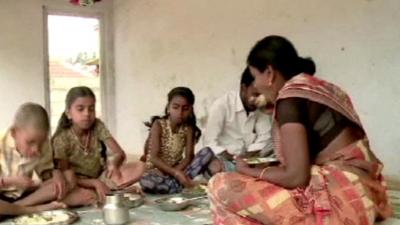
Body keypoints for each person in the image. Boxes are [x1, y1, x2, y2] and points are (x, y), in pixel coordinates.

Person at [208, 35, 392, 225]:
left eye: (255, 77)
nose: (256, 85)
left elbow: (296, 176)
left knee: (220, 184)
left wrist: (250, 171)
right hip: (367, 194)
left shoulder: (289, 99)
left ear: (269, 73)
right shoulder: (317, 87)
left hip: (342, 206)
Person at [52, 86, 145, 205]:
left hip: (101, 176)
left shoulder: (97, 125)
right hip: (77, 183)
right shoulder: (62, 138)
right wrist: (95, 183)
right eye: (80, 109)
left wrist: (113, 164)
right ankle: (111, 192)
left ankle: (106, 192)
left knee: (140, 166)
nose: (87, 114)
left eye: (91, 109)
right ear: (69, 113)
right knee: (80, 194)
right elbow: (67, 175)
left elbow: (119, 153)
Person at [140, 87, 214, 194]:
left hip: (178, 169)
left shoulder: (189, 128)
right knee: (146, 181)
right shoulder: (158, 124)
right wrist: (176, 174)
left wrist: (178, 172)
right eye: (175, 107)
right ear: (168, 107)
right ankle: (180, 185)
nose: (180, 112)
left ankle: (173, 185)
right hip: (157, 171)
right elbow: (154, 158)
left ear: (191, 110)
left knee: (207, 152)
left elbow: (189, 157)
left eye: (185, 109)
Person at [202, 67, 273, 174]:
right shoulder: (222, 105)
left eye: (263, 95)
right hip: (225, 160)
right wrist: (234, 158)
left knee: (274, 156)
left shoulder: (260, 107)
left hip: (249, 160)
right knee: (214, 166)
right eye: (256, 94)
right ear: (243, 88)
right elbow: (209, 142)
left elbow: (264, 137)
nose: (260, 99)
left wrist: (247, 157)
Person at [0, 103, 65, 216]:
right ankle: (32, 209)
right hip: (2, 195)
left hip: (27, 195)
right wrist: (11, 181)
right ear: (14, 133)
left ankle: (14, 208)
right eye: (30, 142)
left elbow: (46, 173)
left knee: (67, 179)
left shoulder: (45, 145)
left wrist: (56, 173)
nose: (36, 149)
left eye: (41, 143)